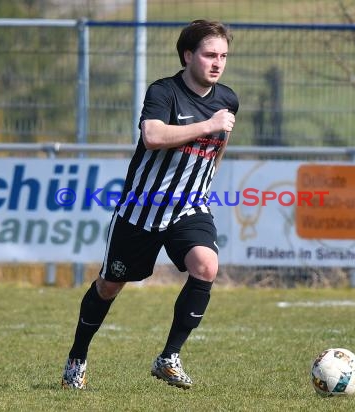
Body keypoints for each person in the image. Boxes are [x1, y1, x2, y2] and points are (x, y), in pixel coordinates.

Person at [61, 19, 238, 390]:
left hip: (189, 208)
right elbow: (153, 135)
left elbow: (216, 149)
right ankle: (77, 356)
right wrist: (208, 124)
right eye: (209, 55)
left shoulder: (227, 99)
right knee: (110, 285)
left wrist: (206, 185)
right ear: (188, 55)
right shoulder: (165, 92)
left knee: (206, 265)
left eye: (222, 55)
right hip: (142, 209)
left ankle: (168, 357)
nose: (217, 63)